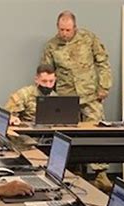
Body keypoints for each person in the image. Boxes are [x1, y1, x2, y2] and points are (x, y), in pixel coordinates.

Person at [41, 10, 113, 192]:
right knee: (69, 136)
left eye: (68, 30)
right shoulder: (51, 45)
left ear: (75, 27)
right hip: (66, 96)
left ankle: (100, 175)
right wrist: (48, 95)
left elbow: (103, 61)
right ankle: (74, 171)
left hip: (90, 94)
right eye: (61, 30)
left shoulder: (88, 38)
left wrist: (104, 86)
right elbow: (47, 71)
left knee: (96, 133)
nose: (64, 33)